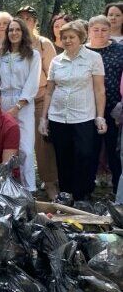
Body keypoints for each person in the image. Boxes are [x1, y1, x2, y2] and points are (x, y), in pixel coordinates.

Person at [39, 21, 107, 204]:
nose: (68, 41)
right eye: (64, 38)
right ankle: (67, 195)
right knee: (63, 156)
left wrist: (100, 116)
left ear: (81, 38)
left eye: (72, 37)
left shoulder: (93, 58)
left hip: (83, 116)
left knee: (84, 155)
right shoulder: (56, 61)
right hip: (58, 116)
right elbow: (49, 91)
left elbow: (99, 90)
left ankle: (82, 194)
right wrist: (43, 119)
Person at [0, 17, 40, 191]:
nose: (14, 33)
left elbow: (32, 83)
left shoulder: (33, 55)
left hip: (23, 104)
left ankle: (29, 189)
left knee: (25, 149)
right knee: (5, 149)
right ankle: (6, 188)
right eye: (10, 30)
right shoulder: (0, 56)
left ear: (23, 32)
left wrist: (18, 107)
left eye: (17, 29)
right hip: (2, 103)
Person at [16, 5, 59, 200]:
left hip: (40, 98)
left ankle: (49, 182)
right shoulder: (14, 42)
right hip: (18, 100)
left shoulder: (43, 44)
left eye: (29, 18)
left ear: (34, 21)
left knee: (42, 144)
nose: (25, 21)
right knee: (17, 142)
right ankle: (17, 180)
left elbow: (52, 75)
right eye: (21, 18)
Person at [86, 15, 123, 195]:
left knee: (114, 151)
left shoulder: (119, 50)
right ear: (88, 32)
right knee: (89, 150)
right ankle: (86, 188)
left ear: (110, 31)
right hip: (86, 109)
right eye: (95, 29)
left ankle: (118, 190)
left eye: (104, 29)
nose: (100, 33)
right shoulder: (82, 51)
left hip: (114, 108)